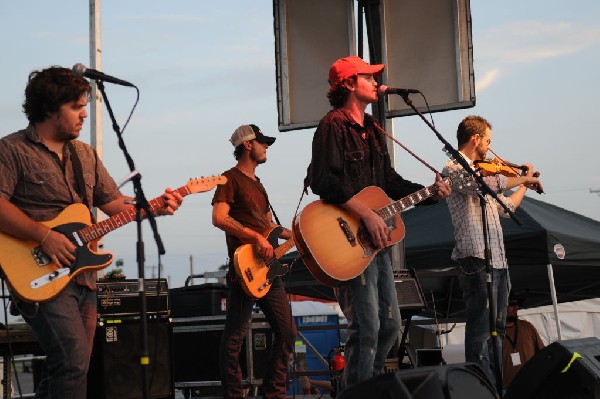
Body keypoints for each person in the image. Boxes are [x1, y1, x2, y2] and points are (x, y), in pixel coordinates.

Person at [0, 66, 183, 398]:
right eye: (76, 106)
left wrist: (154, 206)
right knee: (70, 363)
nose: (85, 114)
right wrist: (44, 236)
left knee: (72, 367)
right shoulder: (12, 150)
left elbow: (114, 205)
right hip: (40, 274)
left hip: (84, 276)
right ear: (50, 107)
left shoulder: (85, 154)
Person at [305, 56, 451, 391]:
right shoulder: (333, 126)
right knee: (367, 327)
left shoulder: (372, 129)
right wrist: (366, 213)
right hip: (347, 241)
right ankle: (357, 393)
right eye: (368, 77)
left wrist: (431, 193)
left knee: (389, 328)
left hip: (376, 244)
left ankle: (360, 388)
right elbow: (324, 181)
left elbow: (390, 182)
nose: (375, 82)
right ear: (349, 84)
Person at [442, 115, 542, 386]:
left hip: (497, 259)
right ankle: (479, 386)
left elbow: (504, 208)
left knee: (497, 327)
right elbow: (486, 185)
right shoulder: (453, 168)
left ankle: (496, 384)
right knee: (479, 328)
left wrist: (523, 184)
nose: (490, 146)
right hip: (475, 257)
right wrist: (522, 175)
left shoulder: (483, 171)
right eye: (488, 140)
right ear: (475, 139)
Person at [212, 124, 296, 399]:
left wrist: (296, 235)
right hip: (244, 267)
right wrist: (255, 239)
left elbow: (267, 225)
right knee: (235, 336)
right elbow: (220, 218)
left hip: (269, 269)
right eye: (262, 142)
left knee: (286, 331)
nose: (266, 146)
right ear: (248, 145)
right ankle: (234, 395)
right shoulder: (229, 178)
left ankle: (273, 393)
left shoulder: (258, 184)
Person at [502, 296, 545, 387]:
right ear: (502, 306)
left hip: (532, 384)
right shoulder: (494, 333)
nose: (516, 308)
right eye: (512, 305)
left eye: (517, 305)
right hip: (508, 388)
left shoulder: (527, 327)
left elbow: (543, 354)